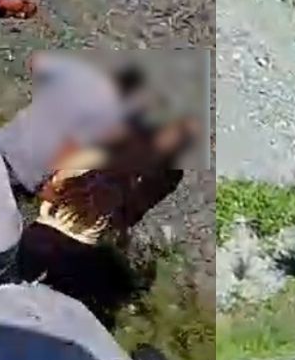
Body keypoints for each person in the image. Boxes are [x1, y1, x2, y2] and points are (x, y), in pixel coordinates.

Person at [15, 117, 197, 328]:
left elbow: (54, 187)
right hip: (65, 238)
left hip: (65, 236)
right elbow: (130, 214)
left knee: (24, 299)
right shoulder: (136, 159)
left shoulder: (159, 171)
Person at [0, 53, 151, 201]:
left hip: (2, 142)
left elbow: (36, 61)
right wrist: (43, 188)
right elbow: (69, 152)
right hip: (22, 173)